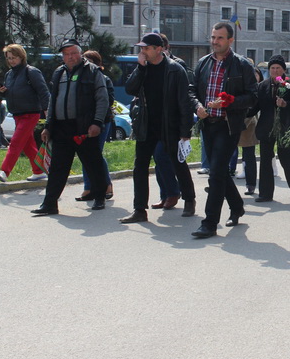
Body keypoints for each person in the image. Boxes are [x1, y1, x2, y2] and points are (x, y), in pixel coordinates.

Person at [120, 33, 196, 223]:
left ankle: (189, 199)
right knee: (140, 166)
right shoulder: (143, 68)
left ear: (159, 49)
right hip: (147, 124)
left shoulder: (175, 70)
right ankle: (139, 209)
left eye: (146, 48)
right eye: (141, 48)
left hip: (169, 124)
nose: (142, 51)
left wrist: (185, 131)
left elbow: (184, 101)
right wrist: (140, 67)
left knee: (178, 163)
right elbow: (130, 89)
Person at [191, 22, 257, 238]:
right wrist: (198, 106)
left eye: (219, 38)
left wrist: (229, 101)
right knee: (218, 171)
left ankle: (209, 223)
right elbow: (192, 90)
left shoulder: (241, 65)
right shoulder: (203, 63)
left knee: (216, 173)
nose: (214, 42)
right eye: (213, 37)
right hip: (208, 123)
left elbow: (253, 97)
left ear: (230, 40)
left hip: (228, 125)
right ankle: (237, 206)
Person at [31, 40, 109, 216]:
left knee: (93, 164)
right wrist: (48, 126)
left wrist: (97, 122)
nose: (70, 57)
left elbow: (102, 98)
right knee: (57, 167)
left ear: (80, 53)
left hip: (84, 127)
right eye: (66, 54)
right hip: (61, 128)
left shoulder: (92, 71)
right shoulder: (59, 73)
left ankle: (99, 197)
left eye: (73, 53)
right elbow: (53, 101)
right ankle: (50, 204)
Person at [0, 44, 50, 183]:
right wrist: (4, 92)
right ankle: (38, 171)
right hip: (17, 113)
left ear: (21, 57)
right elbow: (13, 93)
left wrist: (47, 111)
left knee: (16, 141)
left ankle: (4, 171)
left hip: (30, 113)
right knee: (27, 144)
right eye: (9, 58)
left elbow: (43, 92)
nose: (11, 61)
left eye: (14, 58)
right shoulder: (9, 74)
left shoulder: (31, 71)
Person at [252, 55, 290, 203]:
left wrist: (286, 104)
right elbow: (256, 106)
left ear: (284, 69)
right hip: (266, 128)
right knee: (265, 159)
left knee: (286, 157)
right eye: (272, 68)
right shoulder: (262, 86)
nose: (275, 70)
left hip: (285, 127)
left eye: (278, 68)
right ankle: (265, 194)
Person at [76, 50, 114, 201]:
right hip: (83, 121)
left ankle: (106, 185)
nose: (86, 63)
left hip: (101, 121)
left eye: (89, 60)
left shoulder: (104, 79)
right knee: (85, 154)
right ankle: (89, 187)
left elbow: (108, 100)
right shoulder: (79, 78)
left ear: (97, 63)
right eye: (84, 60)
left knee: (95, 154)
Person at [238, 62, 263, 195]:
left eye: (256, 74)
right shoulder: (238, 84)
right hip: (233, 122)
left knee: (248, 155)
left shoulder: (257, 88)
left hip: (249, 123)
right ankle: (220, 184)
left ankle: (251, 184)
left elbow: (254, 107)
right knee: (223, 154)